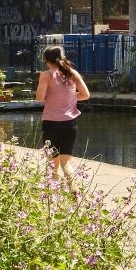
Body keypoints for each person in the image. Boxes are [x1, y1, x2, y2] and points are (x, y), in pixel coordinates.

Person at [35, 45, 90, 180]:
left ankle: (54, 197)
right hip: (70, 124)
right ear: (62, 58)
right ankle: (73, 193)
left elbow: (40, 97)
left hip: (51, 124)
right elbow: (86, 95)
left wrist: (54, 96)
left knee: (53, 164)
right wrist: (69, 97)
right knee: (66, 163)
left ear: (47, 60)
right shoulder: (73, 73)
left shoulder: (45, 75)